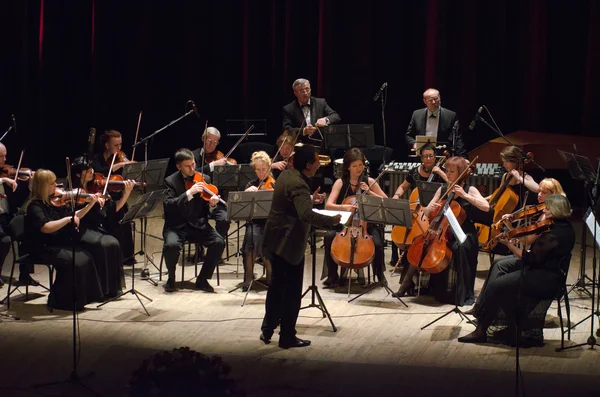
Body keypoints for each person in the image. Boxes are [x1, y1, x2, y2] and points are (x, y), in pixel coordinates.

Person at [458, 194, 576, 344]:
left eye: (547, 208)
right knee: (502, 275)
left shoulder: (553, 235)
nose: (544, 210)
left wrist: (509, 245)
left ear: (555, 210)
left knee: (497, 285)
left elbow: (529, 258)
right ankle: (512, 326)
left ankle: (481, 330)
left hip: (544, 277)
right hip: (545, 269)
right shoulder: (562, 226)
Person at [260, 144, 341, 349]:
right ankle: (287, 337)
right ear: (307, 165)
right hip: (287, 244)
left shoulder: (286, 176)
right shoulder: (299, 185)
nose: (318, 164)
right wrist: (333, 221)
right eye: (316, 161)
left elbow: (294, 205)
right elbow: (305, 214)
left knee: (276, 287)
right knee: (291, 292)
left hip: (274, 238)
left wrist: (310, 200)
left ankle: (267, 329)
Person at [393, 156, 490, 305]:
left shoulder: (469, 189)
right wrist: (428, 209)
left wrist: (465, 196)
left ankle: (459, 293)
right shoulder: (442, 188)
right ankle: (420, 285)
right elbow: (426, 212)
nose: (448, 174)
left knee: (460, 247)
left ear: (461, 173)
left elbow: (486, 207)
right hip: (443, 231)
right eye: (447, 171)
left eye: (452, 171)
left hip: (463, 232)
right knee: (418, 242)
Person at [467, 178, 567, 316]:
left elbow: (527, 241)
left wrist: (510, 234)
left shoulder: (547, 217)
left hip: (537, 265)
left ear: (554, 196)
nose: (539, 195)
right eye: (539, 191)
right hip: (534, 257)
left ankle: (485, 309)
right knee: (497, 263)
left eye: (544, 193)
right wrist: (511, 228)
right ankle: (481, 306)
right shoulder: (543, 213)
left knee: (499, 267)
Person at [23, 170, 106, 311]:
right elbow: (46, 228)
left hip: (57, 243)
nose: (56, 185)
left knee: (86, 257)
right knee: (73, 261)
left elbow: (75, 215)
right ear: (42, 186)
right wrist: (68, 219)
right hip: (42, 247)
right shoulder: (35, 206)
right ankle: (60, 301)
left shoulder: (55, 201)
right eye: (52, 183)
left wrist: (90, 205)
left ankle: (83, 299)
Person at [321, 147, 387, 287]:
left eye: (361, 165)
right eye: (354, 166)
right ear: (348, 167)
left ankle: (379, 274)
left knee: (378, 244)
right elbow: (329, 204)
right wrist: (344, 207)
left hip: (366, 225)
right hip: (345, 224)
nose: (358, 169)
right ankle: (333, 275)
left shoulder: (369, 181)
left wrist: (369, 192)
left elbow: (386, 201)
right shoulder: (340, 182)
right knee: (328, 237)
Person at [162, 148, 225, 293]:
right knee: (171, 245)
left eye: (193, 164)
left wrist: (211, 205)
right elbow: (169, 205)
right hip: (176, 226)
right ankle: (171, 278)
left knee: (219, 242)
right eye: (188, 166)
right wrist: (189, 193)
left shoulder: (205, 179)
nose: (192, 168)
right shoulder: (170, 181)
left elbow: (207, 210)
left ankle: (202, 279)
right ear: (179, 167)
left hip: (198, 225)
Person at [71, 156, 134, 297]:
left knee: (113, 243)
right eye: (86, 170)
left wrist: (126, 194)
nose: (91, 171)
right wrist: (91, 202)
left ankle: (111, 289)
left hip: (95, 228)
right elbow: (76, 216)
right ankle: (98, 291)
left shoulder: (97, 187)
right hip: (80, 230)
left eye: (91, 168)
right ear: (77, 174)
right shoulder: (74, 193)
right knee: (103, 245)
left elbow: (114, 210)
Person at [389, 143, 447, 272]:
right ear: (421, 158)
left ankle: (421, 258)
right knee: (399, 222)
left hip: (433, 211)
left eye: (431, 156)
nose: (428, 159)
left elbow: (452, 184)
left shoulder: (441, 170)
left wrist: (441, 173)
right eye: (425, 156)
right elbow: (403, 187)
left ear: (435, 157)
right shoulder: (414, 172)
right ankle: (399, 259)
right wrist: (396, 196)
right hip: (416, 209)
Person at [91, 130, 136, 265]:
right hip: (103, 196)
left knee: (125, 222)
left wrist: (129, 167)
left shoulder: (121, 157)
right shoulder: (97, 159)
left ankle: (127, 257)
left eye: (120, 145)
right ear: (107, 145)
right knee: (111, 223)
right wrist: (118, 165)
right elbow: (98, 172)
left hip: (118, 194)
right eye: (116, 145)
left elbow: (129, 172)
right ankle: (113, 256)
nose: (119, 148)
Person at [0, 143, 35, 287]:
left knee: (29, 232)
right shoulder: (4, 178)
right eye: (1, 156)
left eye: (5, 155)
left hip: (6, 215)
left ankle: (25, 275)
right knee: (5, 241)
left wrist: (31, 183)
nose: (4, 159)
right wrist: (3, 180)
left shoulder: (7, 172)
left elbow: (20, 196)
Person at [240, 151, 275, 291]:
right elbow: (244, 209)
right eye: (258, 170)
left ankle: (272, 278)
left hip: (270, 223)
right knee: (250, 237)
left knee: (262, 239)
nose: (261, 173)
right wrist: (247, 194)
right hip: (254, 222)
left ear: (269, 168)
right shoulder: (250, 184)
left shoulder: (274, 184)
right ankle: (248, 276)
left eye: (264, 169)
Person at [191, 126, 231, 243]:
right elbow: (193, 173)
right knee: (196, 221)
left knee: (225, 219)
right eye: (209, 141)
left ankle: (215, 248)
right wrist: (213, 165)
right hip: (198, 201)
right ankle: (200, 250)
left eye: (215, 142)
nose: (212, 145)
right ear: (203, 138)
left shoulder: (220, 157)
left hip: (217, 200)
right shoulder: (193, 155)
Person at [405, 88, 465, 157]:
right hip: (422, 155)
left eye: (436, 99)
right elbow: (408, 136)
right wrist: (415, 144)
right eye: (430, 100)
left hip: (442, 155)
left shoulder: (451, 115)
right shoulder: (416, 114)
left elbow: (457, 138)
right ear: (425, 101)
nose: (434, 102)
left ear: (439, 98)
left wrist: (462, 157)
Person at [282, 78, 341, 144]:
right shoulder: (289, 109)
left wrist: (325, 120)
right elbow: (287, 129)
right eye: (302, 91)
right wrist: (304, 131)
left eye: (307, 89)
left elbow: (335, 116)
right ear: (295, 93)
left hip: (321, 143)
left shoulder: (320, 103)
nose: (306, 93)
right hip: (300, 145)